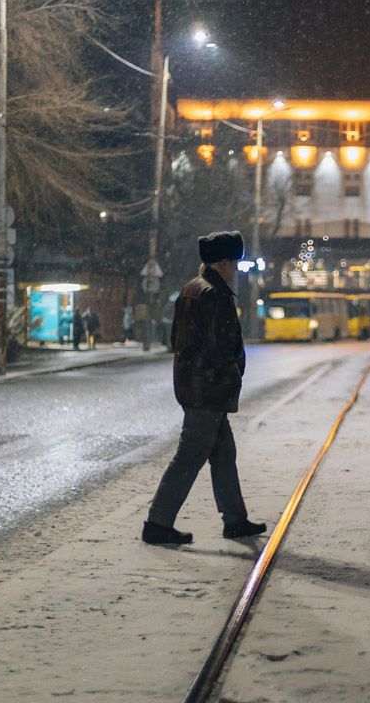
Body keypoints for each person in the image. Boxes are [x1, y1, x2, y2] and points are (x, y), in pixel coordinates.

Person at [143, 230, 266, 546]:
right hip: (207, 391)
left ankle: (235, 520)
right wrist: (231, 372)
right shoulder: (214, 294)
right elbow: (219, 347)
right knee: (189, 456)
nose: (235, 270)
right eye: (234, 264)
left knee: (224, 454)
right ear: (223, 263)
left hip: (196, 387)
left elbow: (176, 340)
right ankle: (157, 523)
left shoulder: (190, 289)